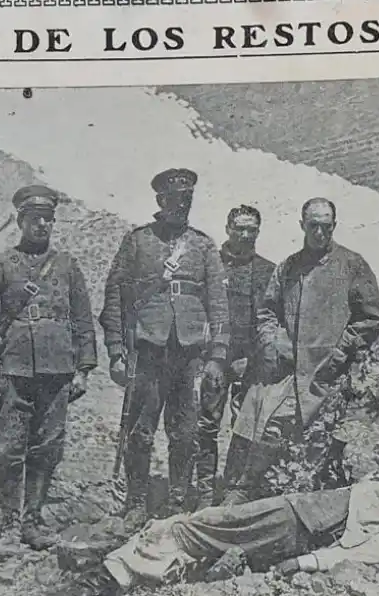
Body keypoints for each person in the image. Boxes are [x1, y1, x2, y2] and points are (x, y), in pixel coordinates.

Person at [225, 198, 379, 504]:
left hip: (323, 369)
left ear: (334, 227)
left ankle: (250, 493)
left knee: (277, 424)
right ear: (302, 225)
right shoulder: (289, 266)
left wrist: (341, 352)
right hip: (285, 367)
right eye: (313, 225)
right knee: (251, 412)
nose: (319, 232)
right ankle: (234, 490)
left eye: (326, 226)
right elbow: (267, 311)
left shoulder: (352, 265)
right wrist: (273, 341)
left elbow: (372, 317)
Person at [87, 471, 379, 594]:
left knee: (210, 525)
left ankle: (119, 571)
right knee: (214, 525)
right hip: (319, 510)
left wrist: (311, 562)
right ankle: (134, 567)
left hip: (315, 522)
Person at [0, 185, 98, 558]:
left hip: (58, 369)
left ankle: (33, 520)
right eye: (34, 219)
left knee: (48, 446)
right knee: (9, 448)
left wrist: (84, 368)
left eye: (48, 219)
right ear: (20, 221)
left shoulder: (67, 265)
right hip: (15, 367)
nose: (42, 225)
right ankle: (8, 525)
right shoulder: (1, 265)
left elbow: (83, 318)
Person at [99, 168, 229, 530]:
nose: (182, 205)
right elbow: (115, 295)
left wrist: (218, 353)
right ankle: (137, 501)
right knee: (140, 430)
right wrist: (114, 350)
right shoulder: (138, 241)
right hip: (148, 349)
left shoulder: (202, 246)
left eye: (187, 199)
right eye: (175, 199)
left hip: (188, 353)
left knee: (185, 431)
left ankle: (176, 500)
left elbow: (218, 302)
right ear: (160, 201)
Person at [194, 205, 275, 509]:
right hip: (212, 359)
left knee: (245, 427)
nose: (245, 234)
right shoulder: (209, 265)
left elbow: (270, 318)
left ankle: (232, 491)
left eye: (252, 229)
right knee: (204, 425)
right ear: (227, 228)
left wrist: (253, 359)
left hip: (248, 362)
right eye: (239, 227)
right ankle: (203, 492)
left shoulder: (268, 270)